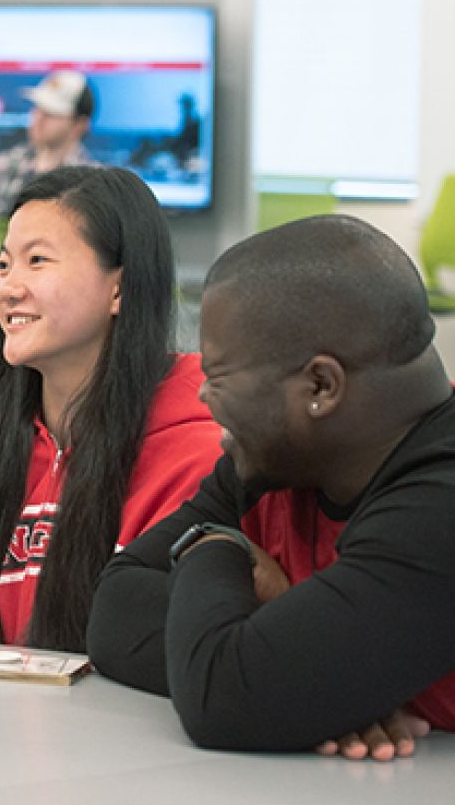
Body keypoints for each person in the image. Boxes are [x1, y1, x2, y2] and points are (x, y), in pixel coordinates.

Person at [87, 215, 455, 760]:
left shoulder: (441, 505)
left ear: (319, 386)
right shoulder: (270, 461)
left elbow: (227, 697)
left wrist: (213, 548)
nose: (202, 398)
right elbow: (114, 611)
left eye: (220, 377)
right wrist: (310, 674)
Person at [0, 166, 222, 652]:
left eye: (38, 261)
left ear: (120, 287)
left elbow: (189, 655)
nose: (9, 288)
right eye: (5, 265)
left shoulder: (198, 454)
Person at [0, 70, 96, 218]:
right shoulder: (5, 166)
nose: (38, 118)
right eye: (37, 109)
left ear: (80, 125)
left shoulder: (92, 183)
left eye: (52, 113)